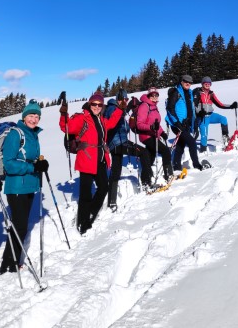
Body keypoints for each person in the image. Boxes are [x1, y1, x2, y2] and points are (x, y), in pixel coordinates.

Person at [59, 91, 127, 234]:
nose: (96, 106)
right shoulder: (82, 118)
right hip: (87, 159)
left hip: (101, 159)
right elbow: (67, 128)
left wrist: (120, 109)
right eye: (94, 104)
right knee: (85, 194)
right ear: (89, 104)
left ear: (102, 106)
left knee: (103, 188)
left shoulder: (102, 119)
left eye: (99, 104)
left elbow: (112, 122)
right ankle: (82, 224)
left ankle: (90, 212)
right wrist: (63, 113)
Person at [0, 100, 48, 274]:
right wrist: (33, 167)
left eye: (37, 116)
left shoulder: (33, 134)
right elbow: (9, 164)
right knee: (18, 226)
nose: (34, 119)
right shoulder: (15, 134)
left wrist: (41, 164)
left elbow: (30, 158)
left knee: (21, 226)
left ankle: (11, 262)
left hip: (28, 186)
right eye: (31, 115)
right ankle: (8, 266)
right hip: (16, 188)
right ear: (24, 116)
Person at [103, 89, 153, 210]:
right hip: (118, 142)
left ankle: (112, 201)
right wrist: (121, 110)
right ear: (117, 99)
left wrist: (130, 113)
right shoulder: (112, 108)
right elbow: (111, 123)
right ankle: (147, 183)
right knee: (144, 152)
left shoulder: (118, 109)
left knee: (116, 171)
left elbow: (124, 126)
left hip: (117, 144)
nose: (124, 101)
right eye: (122, 99)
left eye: (126, 99)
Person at [165, 75, 203, 171]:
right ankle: (196, 165)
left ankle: (176, 166)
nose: (188, 83)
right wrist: (177, 123)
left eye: (190, 82)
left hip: (186, 124)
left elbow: (191, 110)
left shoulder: (189, 93)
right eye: (186, 81)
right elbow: (170, 108)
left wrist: (194, 125)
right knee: (192, 143)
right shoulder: (176, 92)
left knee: (180, 145)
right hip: (177, 124)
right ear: (181, 81)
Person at [136, 87, 174, 182]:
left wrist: (162, 133)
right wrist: (151, 128)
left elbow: (156, 124)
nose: (154, 97)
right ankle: (168, 174)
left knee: (150, 156)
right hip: (146, 136)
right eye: (152, 95)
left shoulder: (154, 106)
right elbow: (139, 124)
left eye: (156, 95)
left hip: (153, 135)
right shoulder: (144, 106)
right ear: (148, 96)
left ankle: (146, 178)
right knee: (165, 151)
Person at [193, 76, 238, 152]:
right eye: (205, 83)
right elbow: (193, 105)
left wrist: (231, 106)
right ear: (202, 84)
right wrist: (199, 112)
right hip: (202, 118)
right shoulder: (198, 92)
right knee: (204, 136)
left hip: (210, 116)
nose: (207, 85)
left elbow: (219, 104)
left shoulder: (211, 94)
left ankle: (225, 139)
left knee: (223, 119)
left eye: (209, 83)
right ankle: (203, 151)